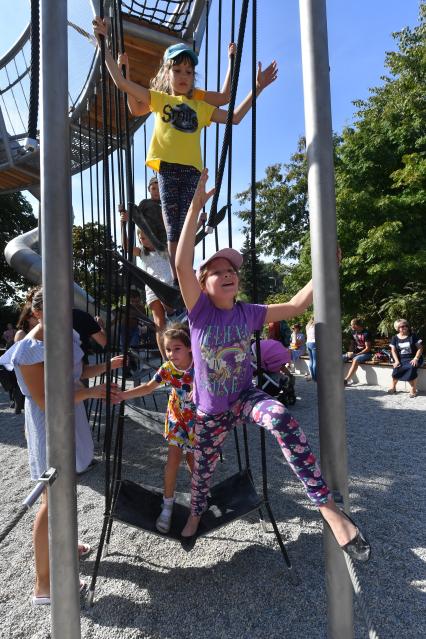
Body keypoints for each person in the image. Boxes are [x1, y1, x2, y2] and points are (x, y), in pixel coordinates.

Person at [174, 169, 371, 562]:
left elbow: (298, 305)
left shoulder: (249, 313)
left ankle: (326, 507)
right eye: (218, 271)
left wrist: (324, 268)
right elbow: (181, 262)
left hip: (245, 396)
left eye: (232, 270)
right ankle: (195, 516)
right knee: (202, 475)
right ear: (202, 282)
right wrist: (196, 206)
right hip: (211, 411)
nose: (228, 274)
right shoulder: (198, 313)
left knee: (281, 417)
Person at [93, 16, 277, 280]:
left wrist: (257, 88)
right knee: (173, 226)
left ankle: (185, 275)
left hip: (192, 172)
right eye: (177, 71)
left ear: (194, 78)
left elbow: (234, 116)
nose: (183, 76)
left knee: (189, 225)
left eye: (189, 72)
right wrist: (104, 45)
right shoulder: (159, 99)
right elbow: (123, 85)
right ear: (166, 75)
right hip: (168, 170)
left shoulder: (200, 106)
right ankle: (178, 276)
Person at [0, 288, 123, 604]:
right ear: (37, 313)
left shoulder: (66, 335)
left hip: (71, 417)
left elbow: (77, 374)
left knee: (67, 490)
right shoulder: (27, 350)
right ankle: (44, 586)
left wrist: (109, 367)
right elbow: (48, 400)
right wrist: (94, 393)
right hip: (49, 425)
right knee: (49, 501)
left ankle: (65, 545)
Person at [121, 323, 195, 534]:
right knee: (172, 460)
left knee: (193, 462)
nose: (171, 354)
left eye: (177, 348)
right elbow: (147, 387)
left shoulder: (200, 365)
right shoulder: (168, 369)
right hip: (177, 419)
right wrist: (124, 396)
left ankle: (197, 500)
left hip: (196, 421)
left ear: (190, 347)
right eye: (168, 349)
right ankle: (168, 504)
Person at [121, 210, 174, 359]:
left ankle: (178, 345)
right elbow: (126, 246)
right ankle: (165, 359)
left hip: (167, 285)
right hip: (152, 287)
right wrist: (123, 223)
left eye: (146, 236)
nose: (143, 240)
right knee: (159, 323)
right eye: (141, 238)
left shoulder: (164, 248)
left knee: (172, 316)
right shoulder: (142, 253)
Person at [388, 319, 423, 397]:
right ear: (397, 328)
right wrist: (396, 361)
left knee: (411, 367)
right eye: (402, 326)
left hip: (413, 358)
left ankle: (413, 389)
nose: (405, 327)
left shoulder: (413, 336)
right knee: (396, 368)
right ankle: (393, 387)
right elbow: (393, 351)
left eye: (406, 325)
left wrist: (416, 358)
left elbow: (420, 348)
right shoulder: (395, 338)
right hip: (401, 358)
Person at [342, 318, 372, 386]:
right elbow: (352, 344)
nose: (351, 326)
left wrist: (357, 354)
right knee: (340, 358)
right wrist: (350, 352)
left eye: (351, 325)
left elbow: (368, 348)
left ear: (356, 325)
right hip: (356, 352)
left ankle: (346, 380)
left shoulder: (366, 333)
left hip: (366, 353)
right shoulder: (353, 332)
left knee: (355, 359)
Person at [305, 316, 316, 382]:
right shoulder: (315, 325)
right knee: (315, 361)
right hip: (314, 343)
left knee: (311, 361)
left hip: (308, 343)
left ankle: (312, 375)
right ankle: (315, 378)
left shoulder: (308, 326)